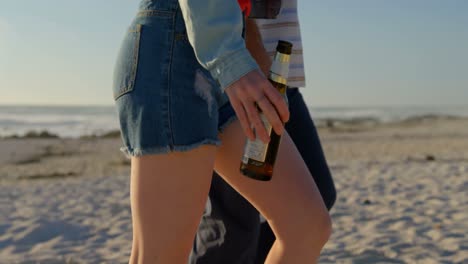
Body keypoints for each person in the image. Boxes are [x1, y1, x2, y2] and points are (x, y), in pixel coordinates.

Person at [112, 0, 331, 263]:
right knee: (161, 256)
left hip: (231, 50)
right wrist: (232, 61)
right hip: (175, 48)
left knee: (306, 227)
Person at [190, 1, 337, 263]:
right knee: (233, 225)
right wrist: (249, 47)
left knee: (317, 195)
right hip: (239, 74)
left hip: (279, 76)